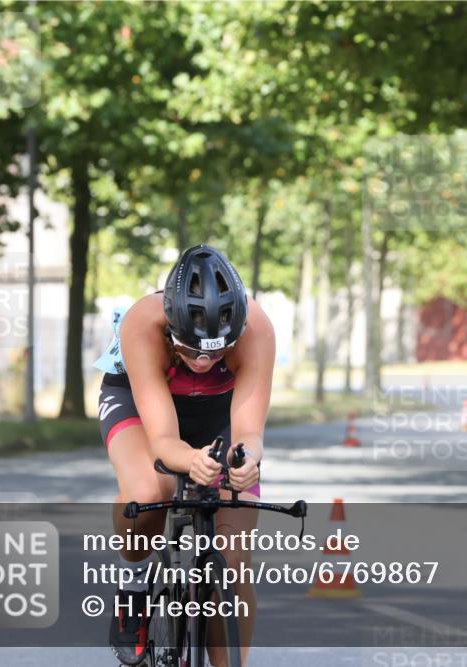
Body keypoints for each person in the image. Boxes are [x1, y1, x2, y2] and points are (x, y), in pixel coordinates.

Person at [95, 244, 275, 666]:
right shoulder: (143, 322)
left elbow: (248, 432)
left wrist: (246, 460)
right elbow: (163, 442)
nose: (202, 359)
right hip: (141, 403)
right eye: (191, 349)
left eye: (215, 351)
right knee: (148, 489)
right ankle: (134, 585)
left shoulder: (258, 329)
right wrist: (188, 461)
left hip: (217, 408)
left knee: (233, 557)